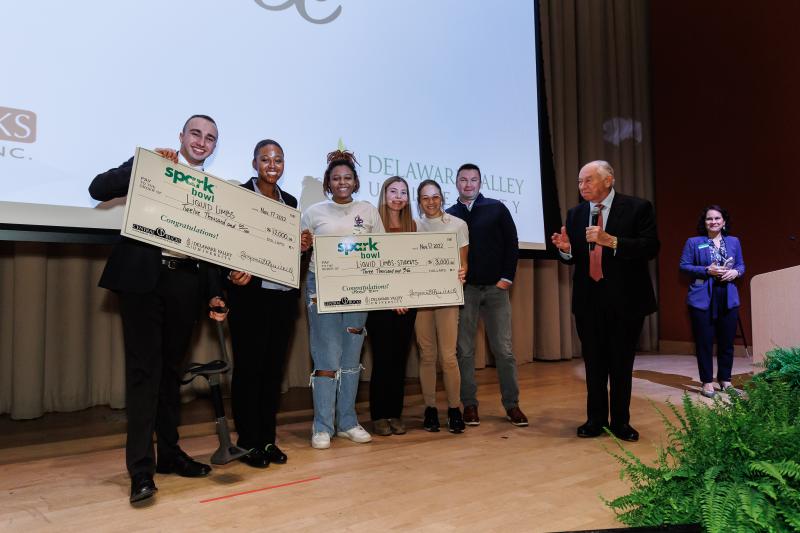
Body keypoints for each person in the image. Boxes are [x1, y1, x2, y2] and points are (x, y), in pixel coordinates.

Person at [88, 115, 229, 504]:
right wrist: (143, 165)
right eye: (196, 134)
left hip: (187, 283)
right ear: (181, 137)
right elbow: (97, 188)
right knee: (144, 375)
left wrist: (215, 293)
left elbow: (213, 246)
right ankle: (140, 470)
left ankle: (169, 454)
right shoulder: (152, 165)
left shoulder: (213, 189)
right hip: (143, 282)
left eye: (210, 139)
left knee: (172, 375)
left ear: (214, 148)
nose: (202, 142)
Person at [550, 160, 659, 442]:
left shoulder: (637, 207)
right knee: (594, 363)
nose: (582, 186)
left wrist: (611, 241)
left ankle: (621, 422)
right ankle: (595, 420)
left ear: (608, 180)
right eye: (579, 182)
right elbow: (576, 257)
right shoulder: (576, 215)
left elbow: (650, 247)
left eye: (588, 180)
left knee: (621, 364)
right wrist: (565, 251)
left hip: (626, 302)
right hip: (589, 302)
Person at [224, 140, 312, 468]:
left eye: (278, 160)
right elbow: (225, 241)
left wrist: (302, 247)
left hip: (282, 297)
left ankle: (267, 439)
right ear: (254, 163)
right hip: (250, 298)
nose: (272, 165)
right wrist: (231, 272)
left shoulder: (289, 202)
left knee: (273, 373)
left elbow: (285, 253)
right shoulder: (241, 196)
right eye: (265, 159)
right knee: (249, 371)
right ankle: (248, 442)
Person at [301, 148, 385, 449]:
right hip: (320, 288)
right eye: (336, 178)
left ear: (356, 181)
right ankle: (322, 426)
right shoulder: (313, 213)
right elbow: (298, 250)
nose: (342, 182)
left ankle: (347, 421)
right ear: (328, 182)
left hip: (359, 288)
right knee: (326, 357)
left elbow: (381, 251)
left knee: (351, 357)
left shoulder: (369, 211)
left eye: (347, 177)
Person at [446, 163, 528, 427]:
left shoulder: (497, 208)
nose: (468, 184)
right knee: (465, 351)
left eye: (473, 180)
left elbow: (511, 243)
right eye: (463, 180)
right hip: (465, 291)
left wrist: (507, 278)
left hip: (495, 289)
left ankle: (512, 405)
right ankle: (469, 405)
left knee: (503, 350)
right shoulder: (449, 215)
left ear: (480, 183)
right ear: (456, 182)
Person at [415, 179, 469, 433]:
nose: (431, 202)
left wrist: (462, 272)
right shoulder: (413, 226)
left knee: (448, 356)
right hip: (421, 298)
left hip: (447, 298)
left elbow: (463, 263)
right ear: (419, 201)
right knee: (427, 355)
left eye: (435, 197)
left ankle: (455, 408)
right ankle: (430, 409)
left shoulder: (458, 225)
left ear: (442, 198)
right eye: (425, 198)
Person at [366, 176, 418, 436]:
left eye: (403, 192)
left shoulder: (414, 226)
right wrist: (391, 297)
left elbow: (415, 268)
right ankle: (378, 415)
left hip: (408, 305)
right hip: (380, 304)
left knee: (400, 360)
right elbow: (372, 268)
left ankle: (395, 414)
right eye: (393, 191)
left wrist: (405, 296)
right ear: (384, 195)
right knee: (383, 359)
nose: (398, 197)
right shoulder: (374, 225)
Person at [679, 205, 744, 398]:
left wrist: (736, 272)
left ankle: (725, 380)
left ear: (724, 222)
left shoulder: (734, 241)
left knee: (726, 342)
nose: (713, 222)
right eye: (709, 219)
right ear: (704, 222)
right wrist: (706, 270)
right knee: (704, 342)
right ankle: (707, 382)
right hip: (702, 297)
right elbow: (684, 266)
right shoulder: (694, 242)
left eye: (717, 218)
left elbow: (741, 264)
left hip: (728, 296)